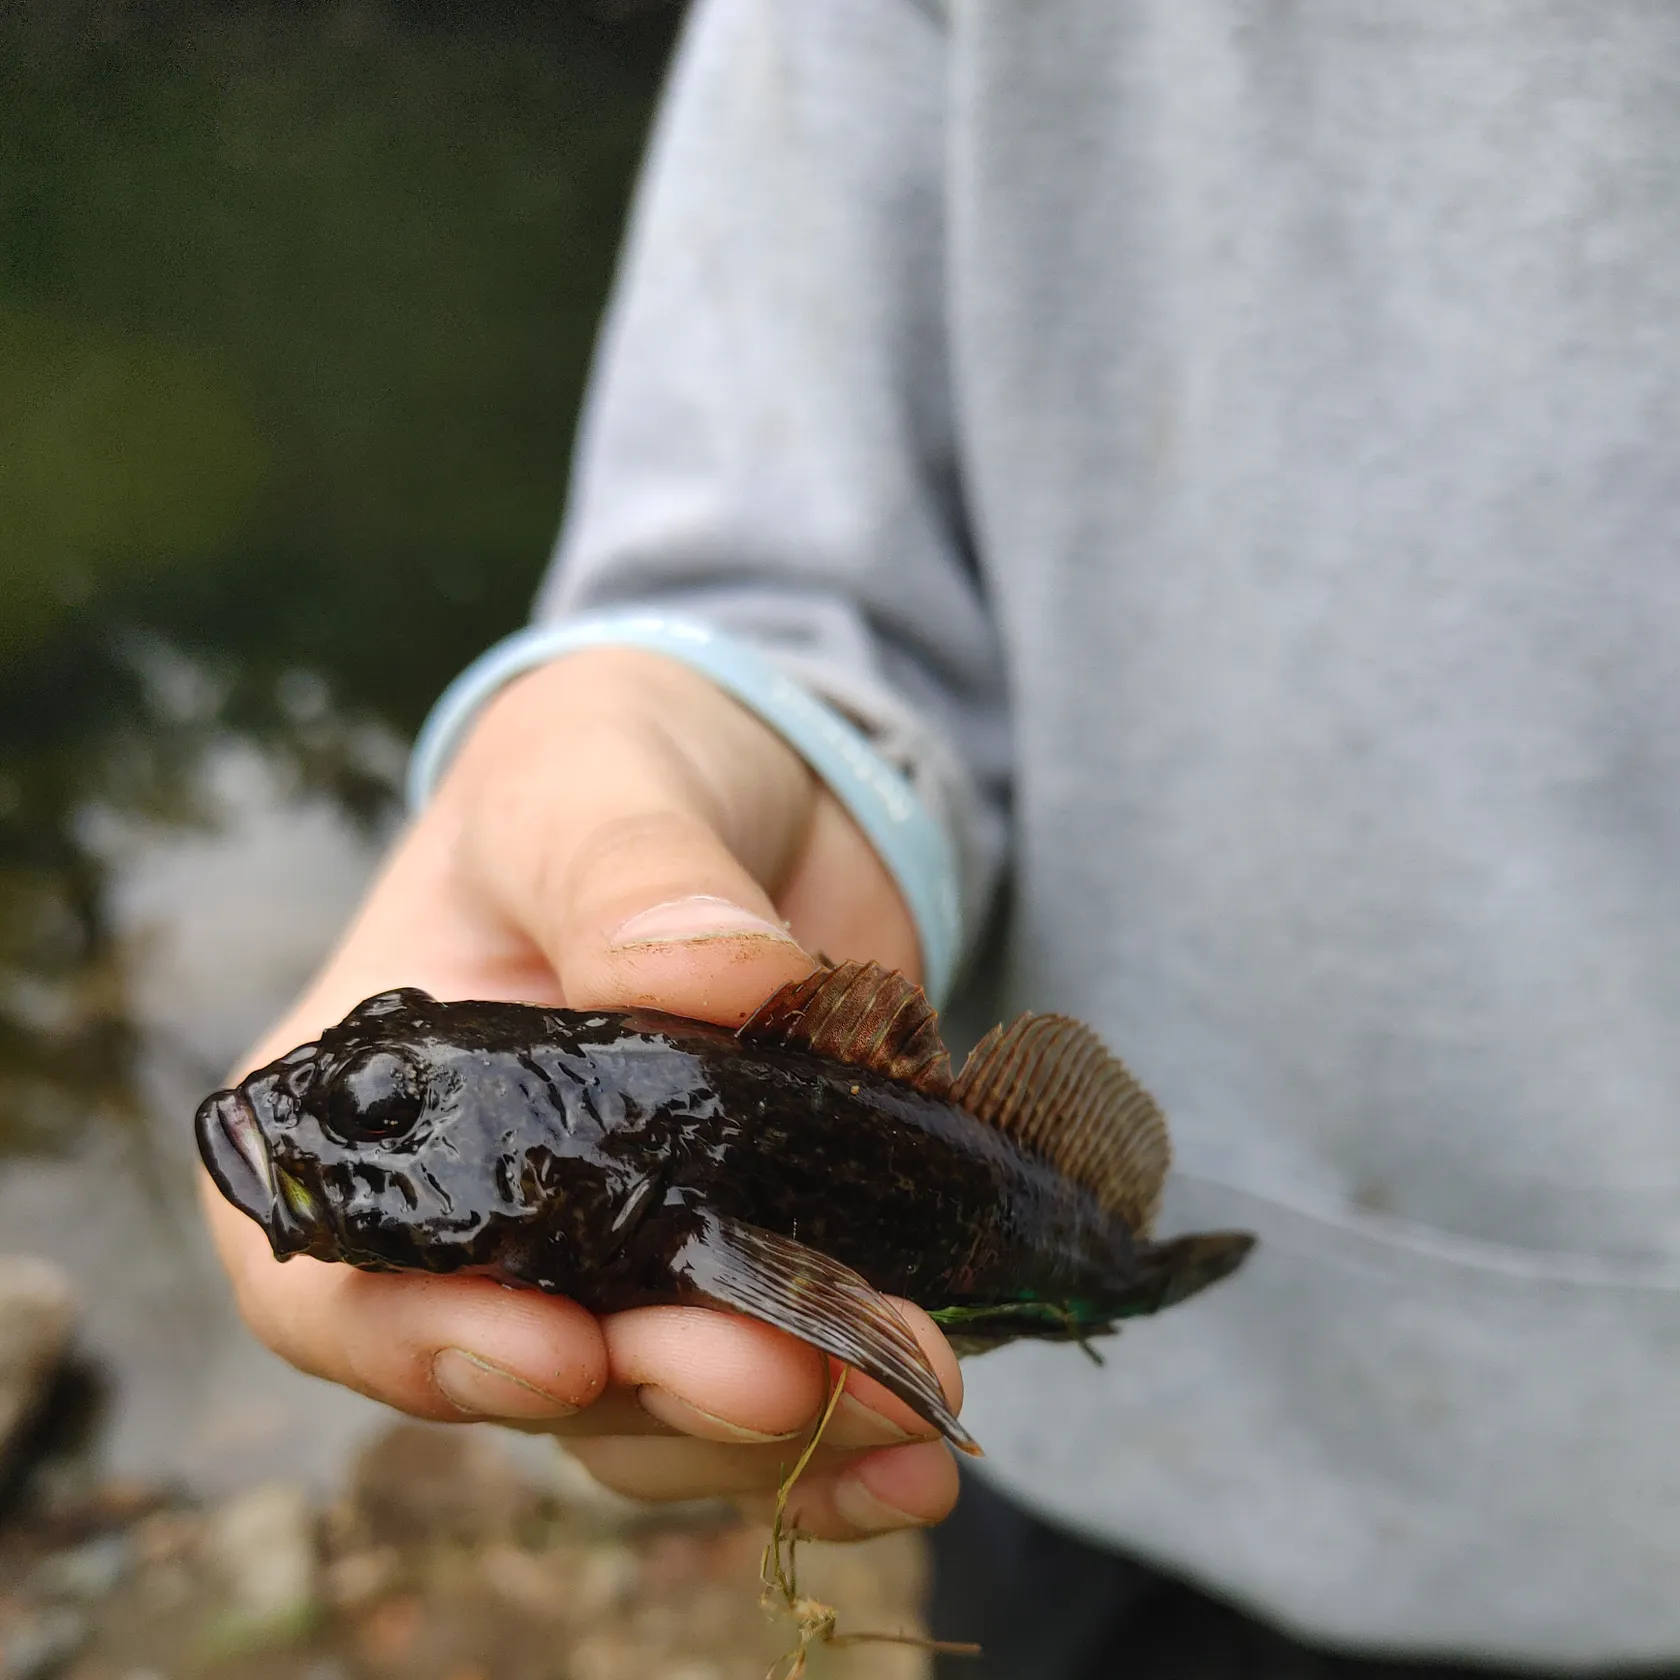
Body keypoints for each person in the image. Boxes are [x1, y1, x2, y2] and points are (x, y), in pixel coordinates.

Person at [202, 1, 1680, 1674]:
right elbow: (780, 569)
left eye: (386, 1100)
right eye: (385, 1081)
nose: (311, 1116)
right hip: (1121, 1508)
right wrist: (714, 725)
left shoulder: (667, 1206)